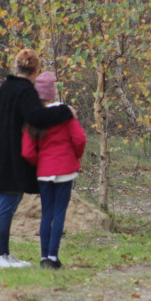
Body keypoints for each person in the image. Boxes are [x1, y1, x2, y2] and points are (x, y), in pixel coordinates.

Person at [0, 49, 74, 268]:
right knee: (6, 206)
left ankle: (3, 252)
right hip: (11, 156)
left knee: (5, 203)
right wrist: (65, 112)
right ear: (35, 70)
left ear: (17, 66)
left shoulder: (4, 89)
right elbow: (37, 117)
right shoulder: (25, 91)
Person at [21, 71, 87, 269]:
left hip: (44, 171)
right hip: (65, 169)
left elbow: (27, 151)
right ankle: (53, 256)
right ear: (53, 92)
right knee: (59, 213)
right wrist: (75, 156)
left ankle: (43, 257)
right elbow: (80, 139)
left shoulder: (32, 118)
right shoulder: (65, 114)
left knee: (47, 213)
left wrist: (39, 164)